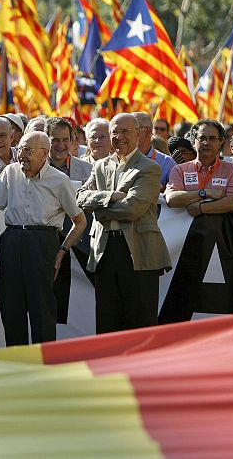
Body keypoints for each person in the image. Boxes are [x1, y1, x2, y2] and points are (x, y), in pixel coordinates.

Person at [0, 131, 86, 345]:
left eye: (28, 151)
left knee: (42, 308)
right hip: (12, 240)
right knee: (11, 306)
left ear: (44, 154)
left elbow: (80, 221)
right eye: (20, 150)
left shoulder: (59, 180)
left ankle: (44, 365)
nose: (21, 156)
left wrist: (62, 251)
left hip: (42, 243)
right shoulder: (10, 172)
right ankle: (17, 364)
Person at [76, 113, 171, 334]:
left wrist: (99, 209)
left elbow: (132, 208)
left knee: (140, 323)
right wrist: (110, 197)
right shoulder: (100, 166)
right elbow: (80, 198)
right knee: (107, 323)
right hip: (105, 251)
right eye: (114, 132)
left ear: (138, 134)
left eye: (125, 131)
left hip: (138, 252)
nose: (119, 137)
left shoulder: (149, 168)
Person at [165, 119, 233, 216]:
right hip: (186, 230)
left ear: (221, 141)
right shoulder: (180, 170)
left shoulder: (232, 170)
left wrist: (201, 208)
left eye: (212, 138)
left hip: (220, 230)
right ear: (193, 141)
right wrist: (204, 193)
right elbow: (171, 199)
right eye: (202, 138)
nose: (206, 143)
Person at [132, 112, 176, 190]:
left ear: (147, 131)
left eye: (133, 129)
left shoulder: (167, 162)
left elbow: (175, 195)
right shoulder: (119, 159)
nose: (126, 134)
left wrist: (161, 189)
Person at [46, 117, 92, 183]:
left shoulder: (87, 169)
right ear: (46, 141)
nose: (61, 145)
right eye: (56, 140)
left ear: (71, 140)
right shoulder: (36, 168)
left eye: (65, 140)